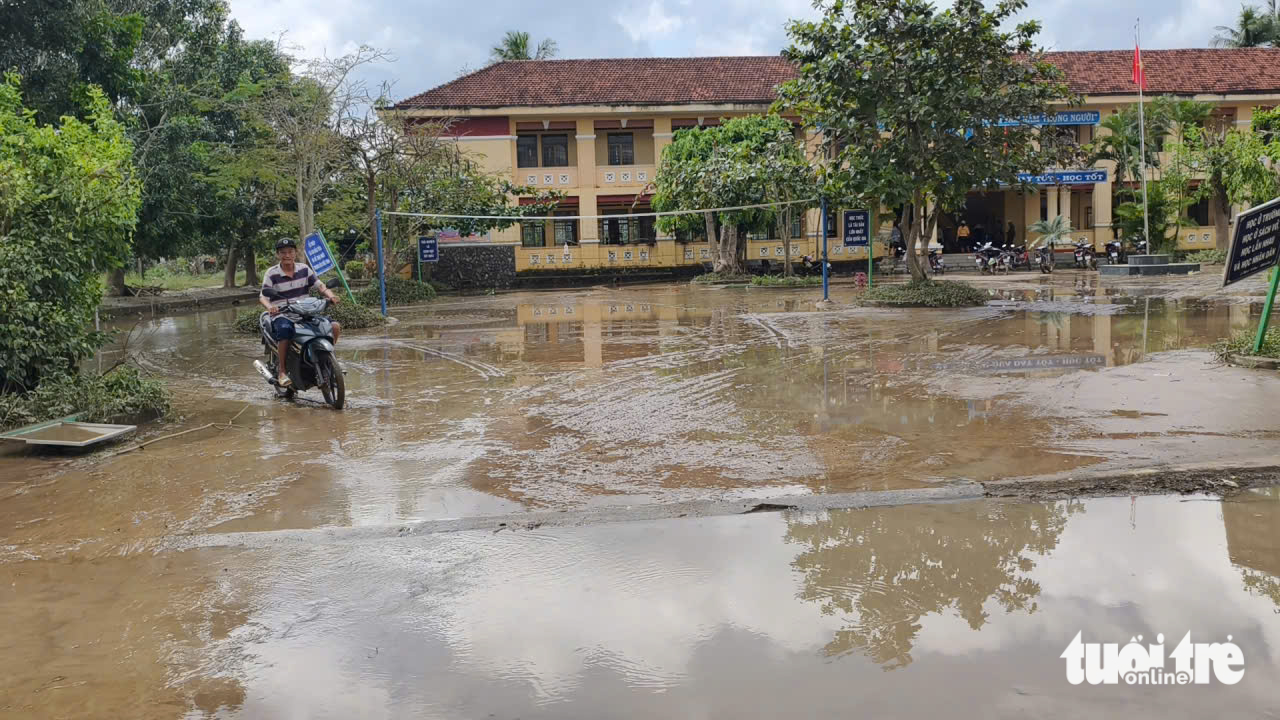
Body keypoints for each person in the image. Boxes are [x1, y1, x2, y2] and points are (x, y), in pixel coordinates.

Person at [260, 238, 341, 387]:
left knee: (334, 326)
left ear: (295, 253)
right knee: (285, 331)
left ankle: (329, 361)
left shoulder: (304, 269)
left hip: (306, 311)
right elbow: (263, 296)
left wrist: (331, 296)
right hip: (283, 313)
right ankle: (282, 371)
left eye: (290, 252)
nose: (287, 255)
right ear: (278, 255)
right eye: (283, 252)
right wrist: (270, 307)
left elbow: (320, 286)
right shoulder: (271, 273)